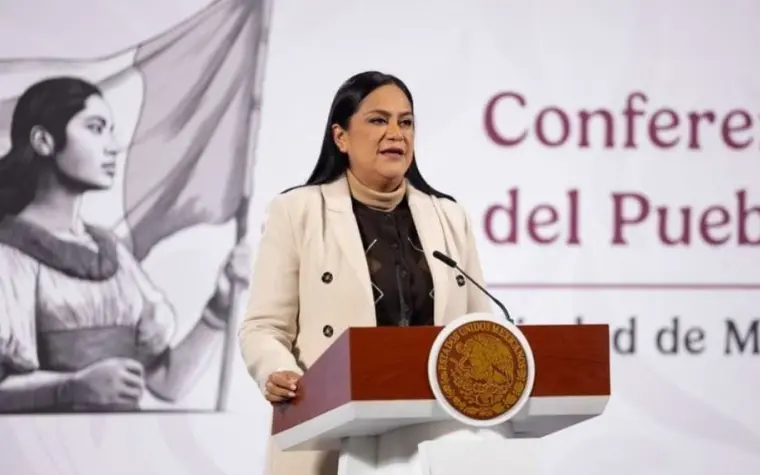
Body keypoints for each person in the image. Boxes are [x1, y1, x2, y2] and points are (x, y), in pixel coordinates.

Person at [238, 70, 493, 475]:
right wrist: (276, 370)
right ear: (341, 137)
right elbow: (263, 326)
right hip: (328, 428)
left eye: (405, 122)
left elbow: (481, 329)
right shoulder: (297, 211)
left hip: (432, 436)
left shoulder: (449, 216)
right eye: (378, 120)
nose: (396, 133)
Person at [0, 76, 250, 412]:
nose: (114, 145)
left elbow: (167, 383)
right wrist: (72, 388)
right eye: (95, 128)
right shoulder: (9, 254)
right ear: (44, 141)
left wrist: (219, 307)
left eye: (111, 130)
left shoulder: (112, 252)